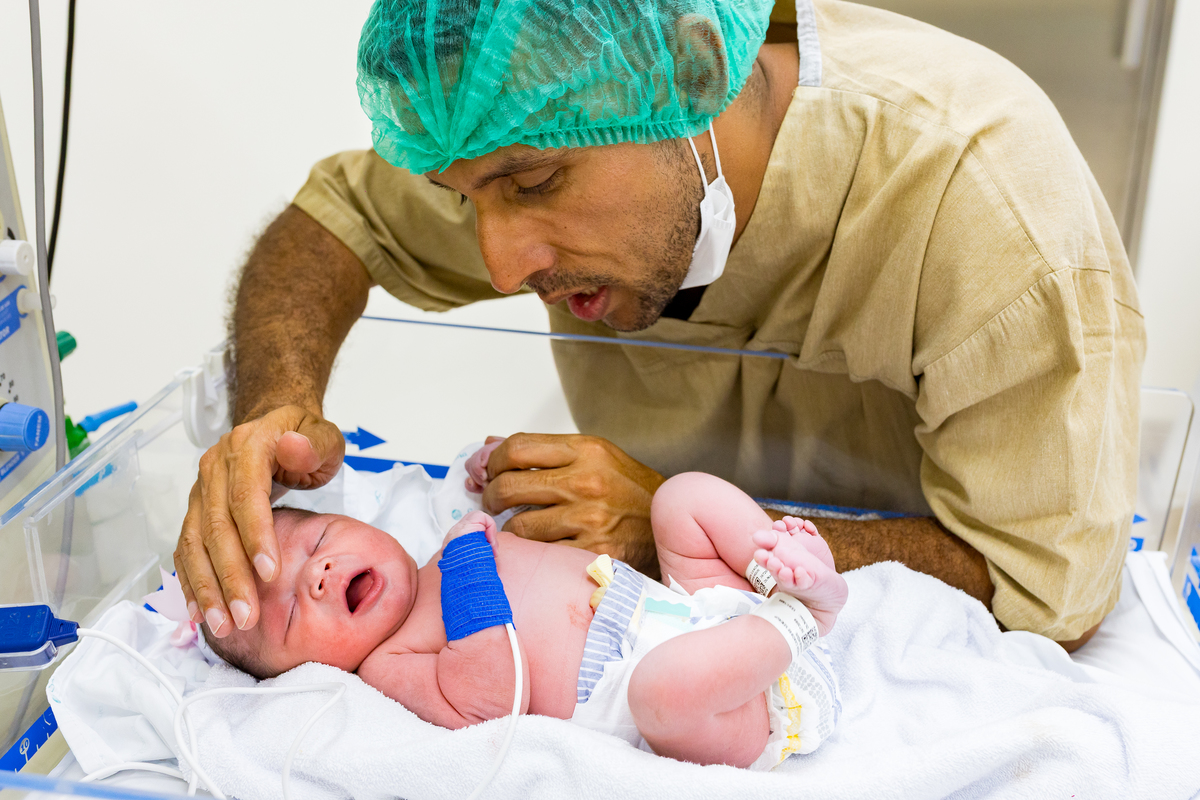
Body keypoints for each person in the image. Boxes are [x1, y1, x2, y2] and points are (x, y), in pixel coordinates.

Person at [174, 0, 1143, 654]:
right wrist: (278, 403)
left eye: (535, 183)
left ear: (694, 75)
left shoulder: (977, 196)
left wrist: (693, 525)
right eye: (466, 198)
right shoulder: (544, 123)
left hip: (887, 617)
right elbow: (334, 223)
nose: (506, 263)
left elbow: (1042, 579)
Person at [203, 473, 848, 770]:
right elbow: (490, 697)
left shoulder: (447, 547)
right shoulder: (388, 665)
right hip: (712, 705)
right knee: (663, 692)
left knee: (683, 498)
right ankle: (805, 616)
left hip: (692, 609)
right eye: (290, 610)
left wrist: (489, 473)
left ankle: (778, 570)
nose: (316, 575)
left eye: (319, 542)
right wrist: (465, 568)